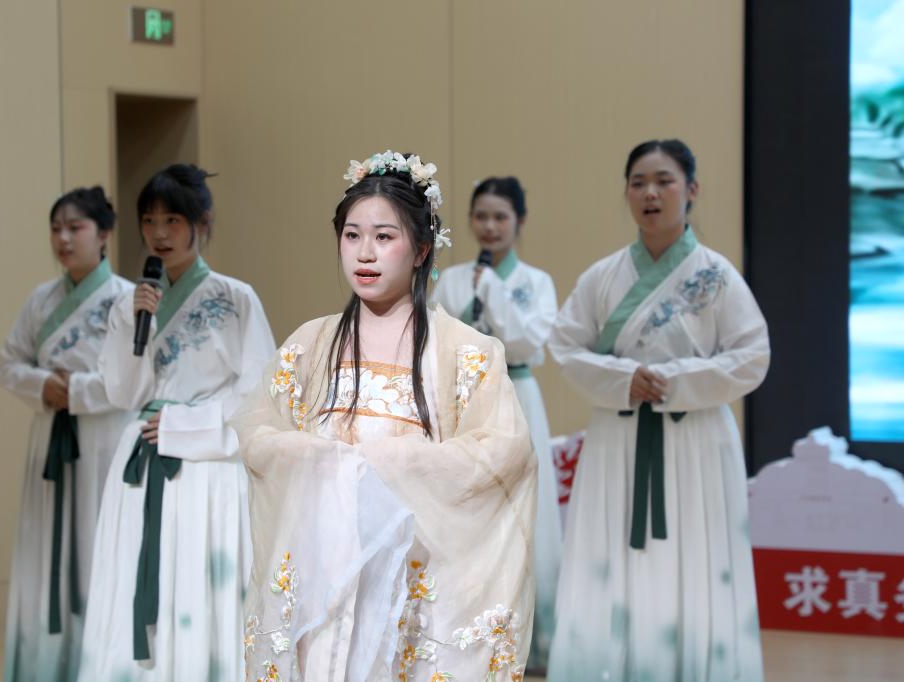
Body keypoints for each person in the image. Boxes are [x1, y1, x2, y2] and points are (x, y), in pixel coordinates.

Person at [235, 150, 537, 681]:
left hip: (414, 571)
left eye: (384, 236)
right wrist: (315, 458)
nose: (365, 253)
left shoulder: (466, 352)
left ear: (421, 249)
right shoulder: (310, 344)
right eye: (352, 235)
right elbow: (258, 431)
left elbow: (502, 452)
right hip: (326, 568)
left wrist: (392, 464)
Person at [546, 140, 769, 681]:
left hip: (696, 438)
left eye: (664, 181)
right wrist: (624, 379)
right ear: (626, 193)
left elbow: (752, 356)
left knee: (694, 554)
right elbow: (564, 346)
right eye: (638, 182)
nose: (650, 193)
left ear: (691, 190)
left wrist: (675, 381)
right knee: (612, 557)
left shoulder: (716, 275)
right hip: (619, 435)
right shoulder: (602, 276)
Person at [77, 165, 275, 681]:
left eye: (172, 220)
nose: (159, 233)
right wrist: (130, 321)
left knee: (194, 580)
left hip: (204, 465)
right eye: (149, 220)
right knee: (135, 574)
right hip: (141, 458)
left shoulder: (236, 299)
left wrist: (185, 426)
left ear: (201, 223)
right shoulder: (130, 303)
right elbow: (122, 392)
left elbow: (259, 394)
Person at [0, 186, 134, 681]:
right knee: (45, 547)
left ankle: (100, 664)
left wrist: (75, 390)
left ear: (103, 234)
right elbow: (9, 363)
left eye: (75, 227)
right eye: (56, 228)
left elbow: (133, 378)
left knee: (100, 544)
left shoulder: (126, 299)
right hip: (50, 437)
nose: (63, 238)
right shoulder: (42, 299)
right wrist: (43, 385)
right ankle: (47, 662)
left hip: (103, 439)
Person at [430, 176, 562, 668]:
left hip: (518, 395)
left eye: (500, 217)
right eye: (481, 216)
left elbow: (529, 343)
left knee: (525, 510)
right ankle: (466, 635)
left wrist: (493, 291)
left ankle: (535, 641)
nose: (489, 226)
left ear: (519, 221)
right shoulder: (451, 278)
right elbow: (437, 339)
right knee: (469, 508)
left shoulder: (536, 282)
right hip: (464, 401)